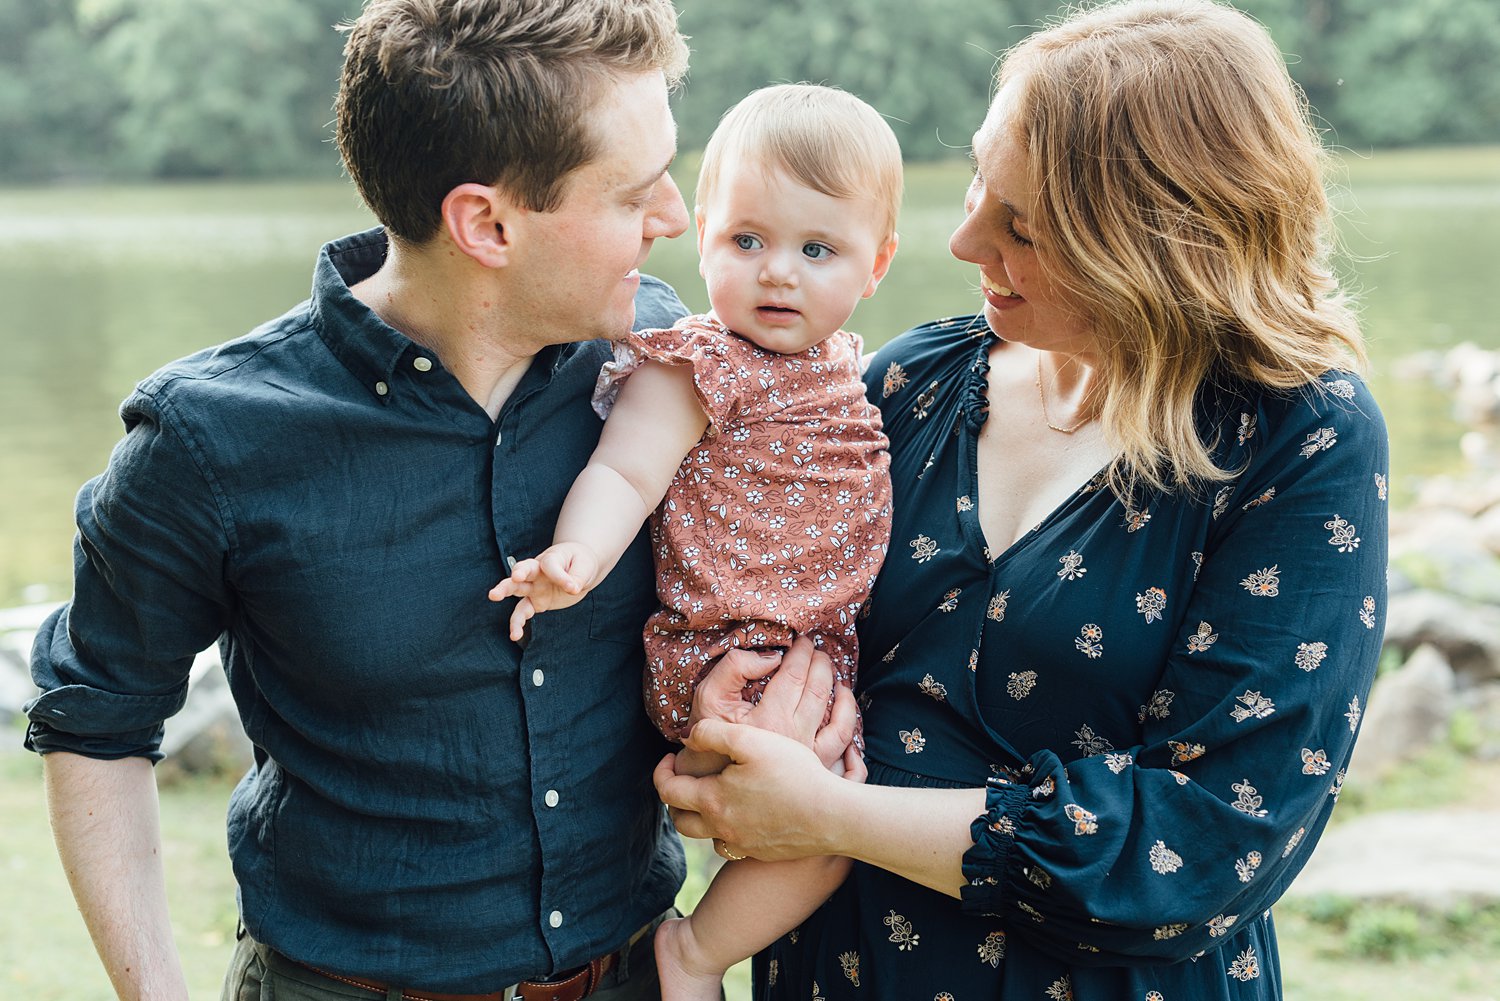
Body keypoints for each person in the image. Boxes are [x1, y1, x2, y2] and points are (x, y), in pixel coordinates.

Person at [655, 1, 1389, 998]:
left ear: (1155, 246)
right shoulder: (912, 379)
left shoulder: (1299, 435)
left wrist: (827, 817)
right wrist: (731, 707)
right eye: (976, 186)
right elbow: (778, 594)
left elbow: (1215, 842)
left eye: (1023, 228)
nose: (960, 241)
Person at [23, 1, 716, 998]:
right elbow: (94, 719)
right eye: (636, 192)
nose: (676, 217)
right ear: (485, 223)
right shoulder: (209, 437)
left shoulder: (659, 359)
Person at [490, 83, 900, 1001]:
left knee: (840, 831)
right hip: (724, 651)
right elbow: (625, 474)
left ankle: (697, 944)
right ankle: (696, 954)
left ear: (877, 264)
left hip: (811, 653)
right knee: (830, 835)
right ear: (704, 231)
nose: (778, 273)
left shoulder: (842, 365)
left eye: (817, 249)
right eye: (747, 240)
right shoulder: (696, 363)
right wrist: (577, 558)